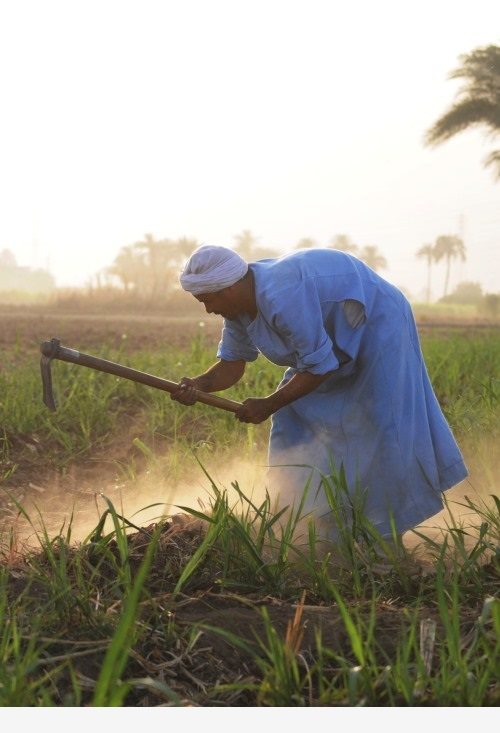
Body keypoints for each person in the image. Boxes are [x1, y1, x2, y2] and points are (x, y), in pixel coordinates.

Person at [171, 243, 468, 540]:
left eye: (208, 301)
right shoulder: (238, 311)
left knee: (383, 423)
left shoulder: (282, 295)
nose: (209, 310)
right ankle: (301, 519)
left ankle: (386, 534)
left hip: (377, 322)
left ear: (229, 289)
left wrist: (268, 404)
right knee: (294, 416)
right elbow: (231, 365)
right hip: (331, 342)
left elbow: (319, 367)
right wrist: (198, 386)